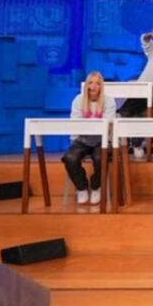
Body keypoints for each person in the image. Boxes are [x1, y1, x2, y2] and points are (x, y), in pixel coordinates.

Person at [63, 72, 117, 206]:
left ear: (101, 87)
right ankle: (81, 188)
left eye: (97, 83)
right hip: (82, 139)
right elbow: (75, 122)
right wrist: (74, 140)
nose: (93, 86)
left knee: (100, 157)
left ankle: (96, 187)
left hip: (102, 140)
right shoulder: (78, 100)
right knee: (70, 157)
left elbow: (109, 124)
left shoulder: (109, 101)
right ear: (86, 85)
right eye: (91, 83)